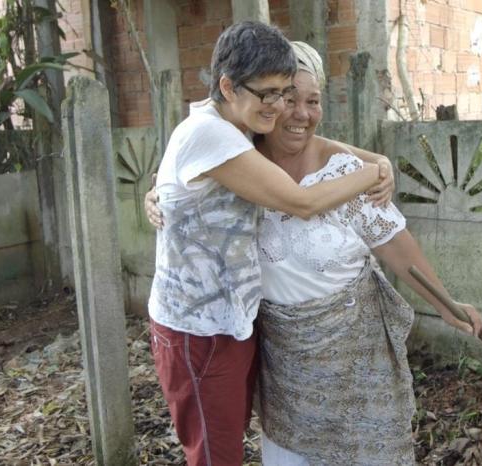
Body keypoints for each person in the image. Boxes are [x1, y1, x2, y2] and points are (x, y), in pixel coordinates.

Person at [147, 40, 482, 465]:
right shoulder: (238, 163)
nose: (299, 113)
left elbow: (394, 243)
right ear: (264, 107)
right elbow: (189, 184)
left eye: (312, 101)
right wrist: (157, 195)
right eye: (283, 98)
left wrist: (446, 304)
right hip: (280, 363)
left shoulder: (343, 169)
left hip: (356, 362)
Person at [147, 22, 390, 466]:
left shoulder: (234, 122)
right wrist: (373, 173)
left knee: (228, 445)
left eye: (284, 92)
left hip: (232, 321)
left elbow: (312, 141)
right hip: (197, 330)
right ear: (226, 84)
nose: (279, 106)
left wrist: (376, 158)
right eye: (270, 94)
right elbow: (302, 202)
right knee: (215, 457)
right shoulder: (211, 133)